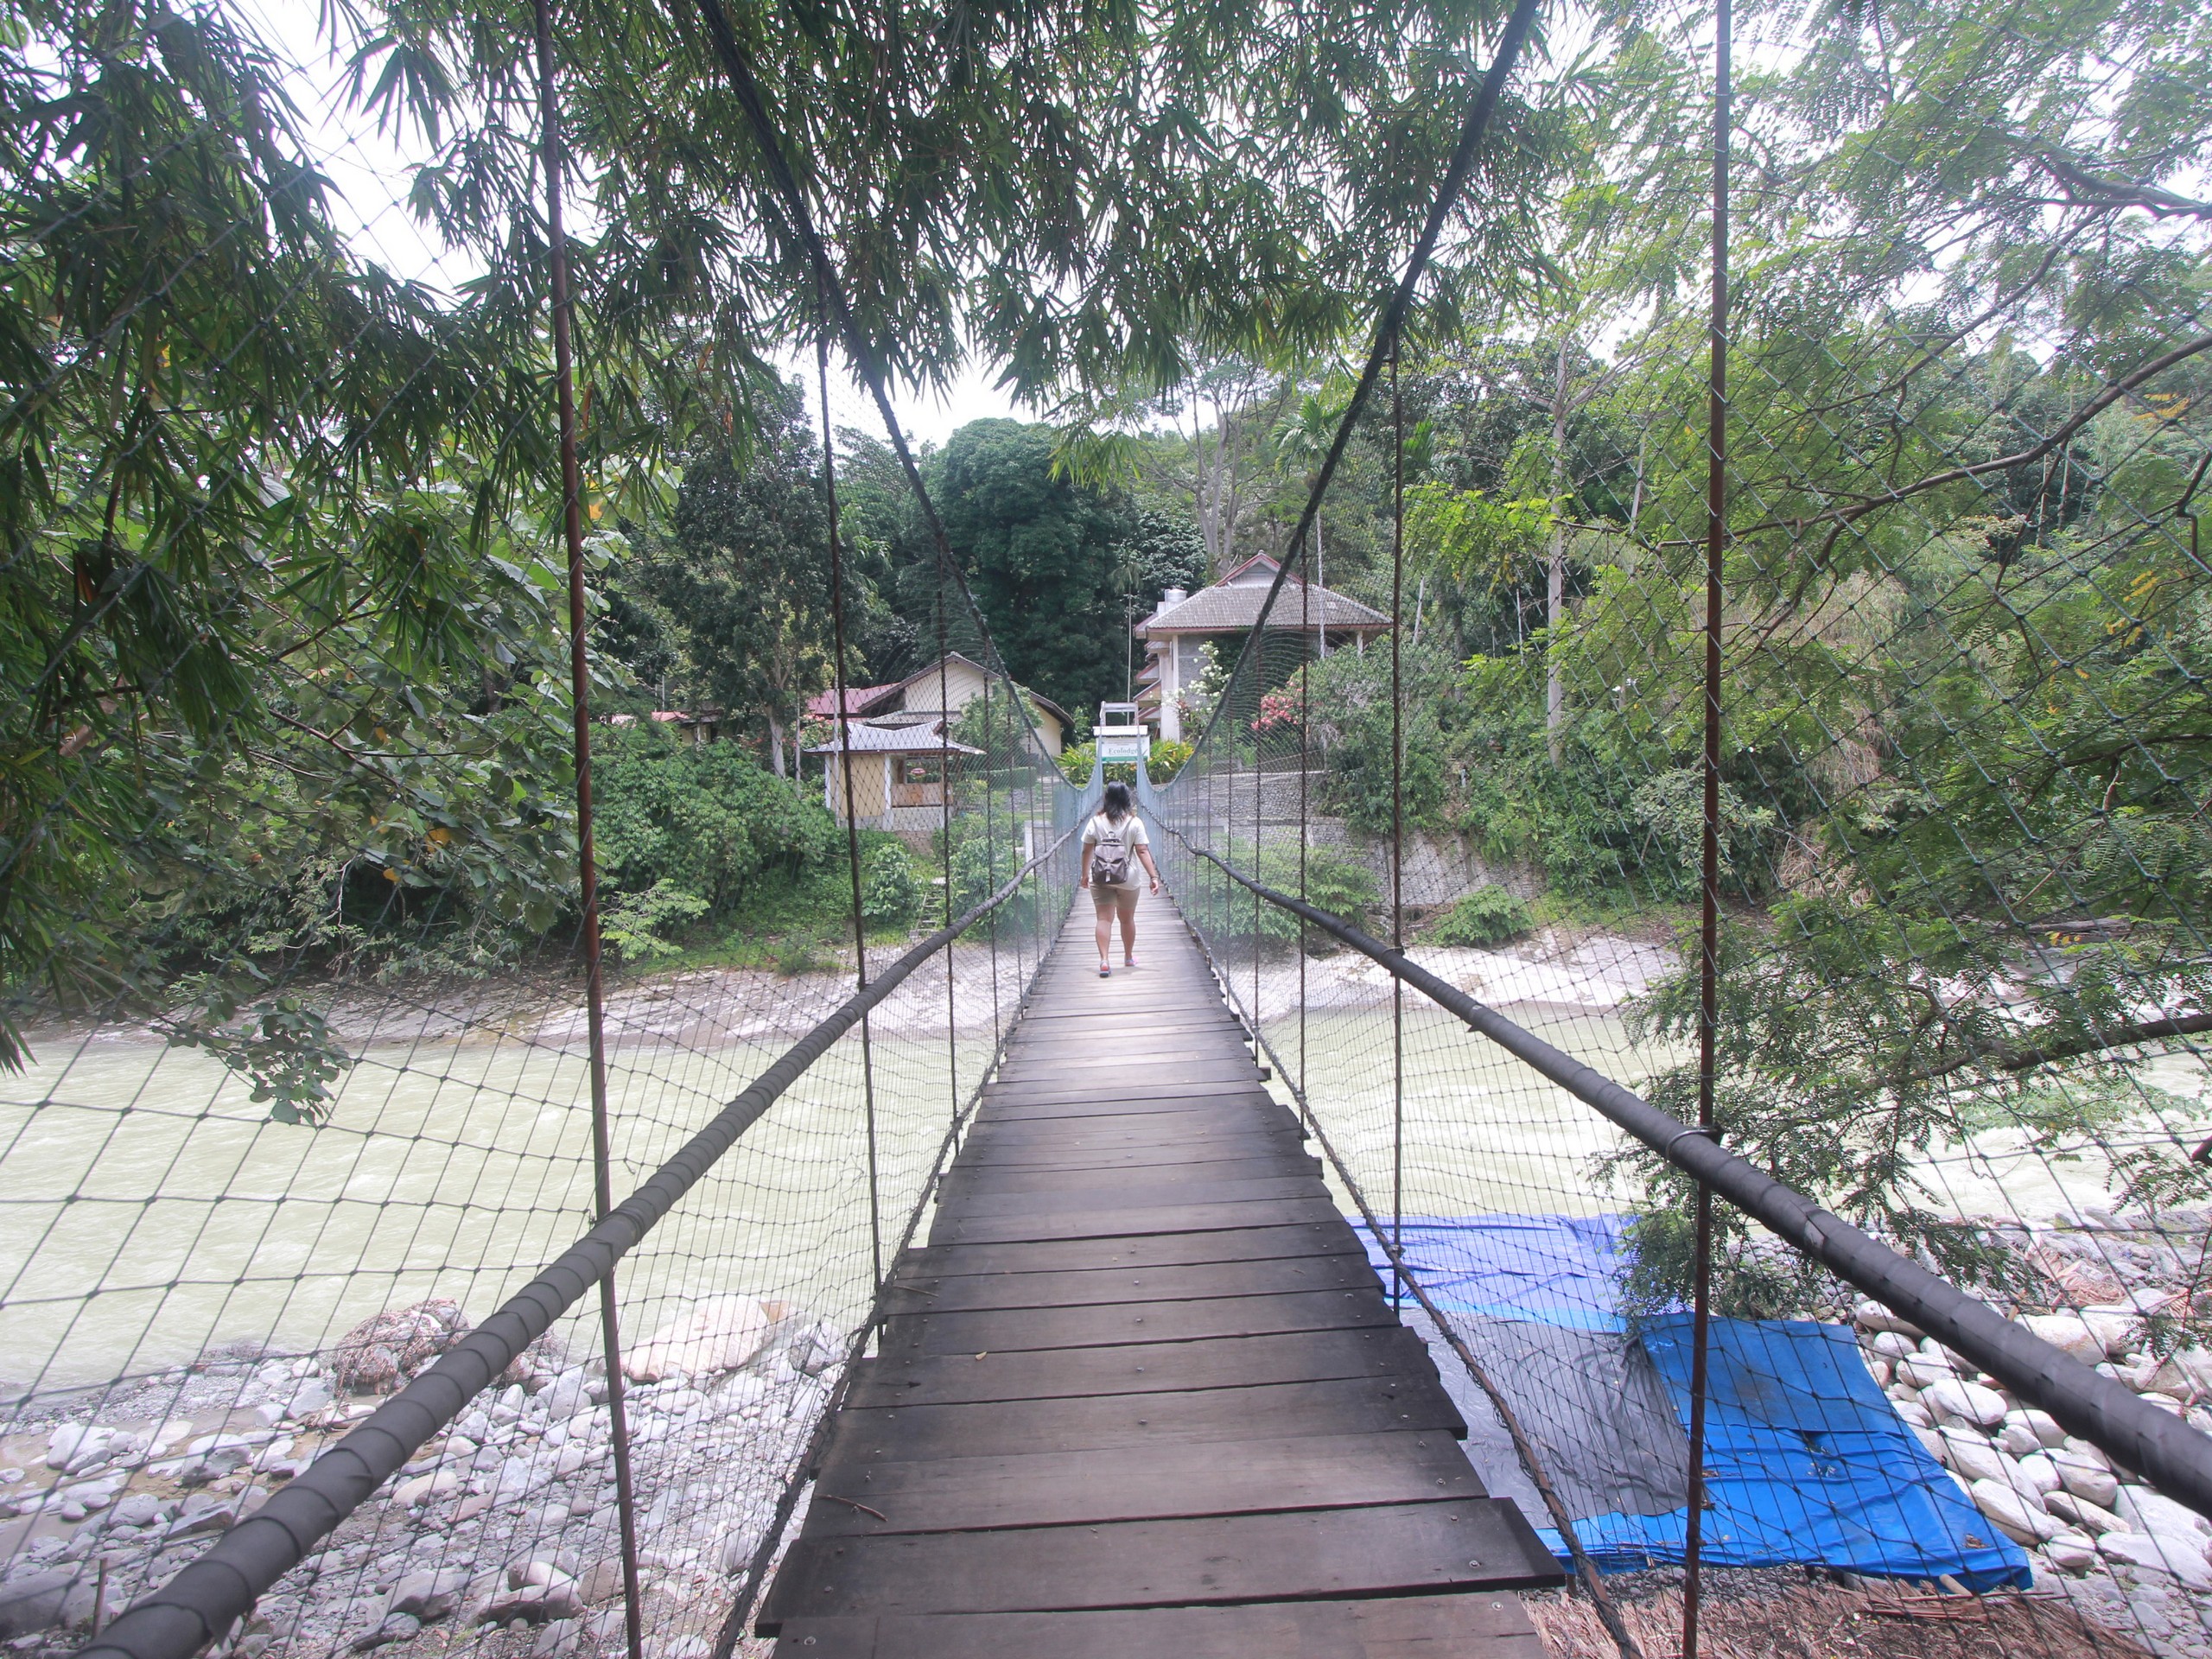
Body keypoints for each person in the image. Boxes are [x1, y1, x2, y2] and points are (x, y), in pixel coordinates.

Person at [1079, 780, 1160, 976]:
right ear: (1127, 800)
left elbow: (1086, 850)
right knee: (1127, 919)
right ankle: (1128, 957)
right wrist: (1153, 877)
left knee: (1104, 919)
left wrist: (1084, 875)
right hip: (1128, 879)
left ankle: (1104, 961)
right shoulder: (1135, 823)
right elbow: (1142, 850)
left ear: (1106, 798)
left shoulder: (1095, 822)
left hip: (1100, 878)